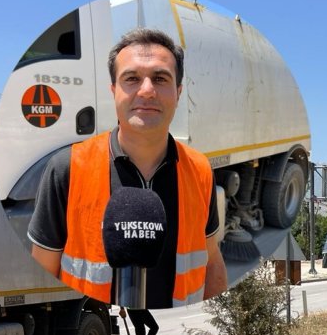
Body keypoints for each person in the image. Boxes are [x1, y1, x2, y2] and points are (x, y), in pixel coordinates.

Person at [28, 28, 226, 309]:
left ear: (178, 92)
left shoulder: (200, 170)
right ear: (114, 91)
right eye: (132, 79)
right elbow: (42, 274)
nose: (147, 90)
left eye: (160, 78)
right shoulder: (67, 168)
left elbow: (212, 258)